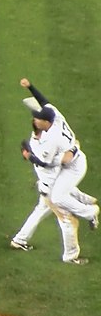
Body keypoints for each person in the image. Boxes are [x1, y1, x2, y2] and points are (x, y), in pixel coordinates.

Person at [20, 78, 100, 229]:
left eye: (38, 118)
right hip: (71, 156)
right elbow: (44, 101)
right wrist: (30, 87)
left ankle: (90, 212)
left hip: (72, 166)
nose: (35, 120)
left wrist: (27, 154)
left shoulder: (51, 138)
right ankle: (85, 200)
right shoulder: (55, 115)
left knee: (57, 197)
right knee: (57, 191)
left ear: (45, 122)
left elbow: (45, 163)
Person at [11, 121, 93, 264]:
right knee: (68, 221)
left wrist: (27, 155)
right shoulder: (46, 152)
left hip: (46, 188)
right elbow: (63, 160)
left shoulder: (36, 144)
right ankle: (70, 256)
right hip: (51, 192)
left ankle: (19, 239)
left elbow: (34, 155)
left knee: (39, 212)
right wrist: (74, 148)